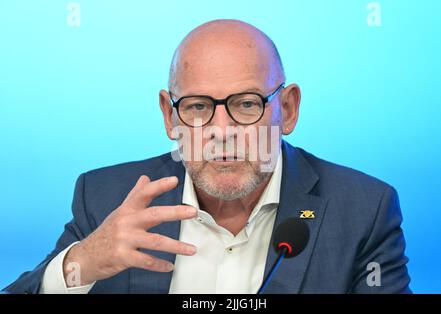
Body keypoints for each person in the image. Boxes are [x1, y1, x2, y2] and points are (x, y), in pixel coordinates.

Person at [4, 19, 411, 294]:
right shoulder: (106, 196)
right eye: (198, 107)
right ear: (169, 115)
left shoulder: (362, 210)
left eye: (247, 104)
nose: (221, 130)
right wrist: (81, 263)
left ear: (287, 109)